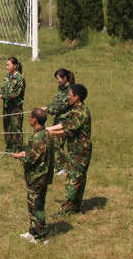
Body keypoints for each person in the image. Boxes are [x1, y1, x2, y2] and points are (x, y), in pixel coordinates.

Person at [46, 84, 92, 215]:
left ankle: (67, 210)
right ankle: (75, 207)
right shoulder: (75, 109)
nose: (68, 97)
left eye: (70, 95)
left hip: (80, 151)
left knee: (73, 179)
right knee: (79, 178)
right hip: (77, 149)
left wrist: (47, 133)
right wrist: (49, 129)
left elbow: (66, 130)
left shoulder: (80, 112)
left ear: (77, 97)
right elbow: (64, 124)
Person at [12, 108, 54, 245]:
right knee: (33, 205)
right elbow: (37, 153)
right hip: (43, 175)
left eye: (30, 117)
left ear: (34, 120)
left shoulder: (35, 138)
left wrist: (19, 156)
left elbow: (31, 158)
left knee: (36, 206)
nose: (29, 119)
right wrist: (26, 153)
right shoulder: (46, 134)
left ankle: (41, 237)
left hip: (37, 177)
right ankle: (33, 231)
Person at [41, 68, 75, 176]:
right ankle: (58, 166)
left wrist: (47, 109)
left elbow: (61, 106)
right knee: (54, 142)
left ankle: (64, 167)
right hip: (58, 120)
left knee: (56, 143)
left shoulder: (70, 91)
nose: (58, 81)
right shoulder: (61, 89)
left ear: (65, 78)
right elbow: (55, 102)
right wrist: (48, 107)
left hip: (65, 121)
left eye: (59, 79)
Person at [0, 57, 26, 153]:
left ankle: (19, 150)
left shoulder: (20, 79)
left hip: (15, 108)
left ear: (15, 66)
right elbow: (3, 89)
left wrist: (1, 96)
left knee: (16, 129)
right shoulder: (7, 77)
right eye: (6, 65)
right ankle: (9, 148)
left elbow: (16, 94)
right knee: (7, 128)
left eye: (8, 65)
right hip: (6, 107)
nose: (6, 67)